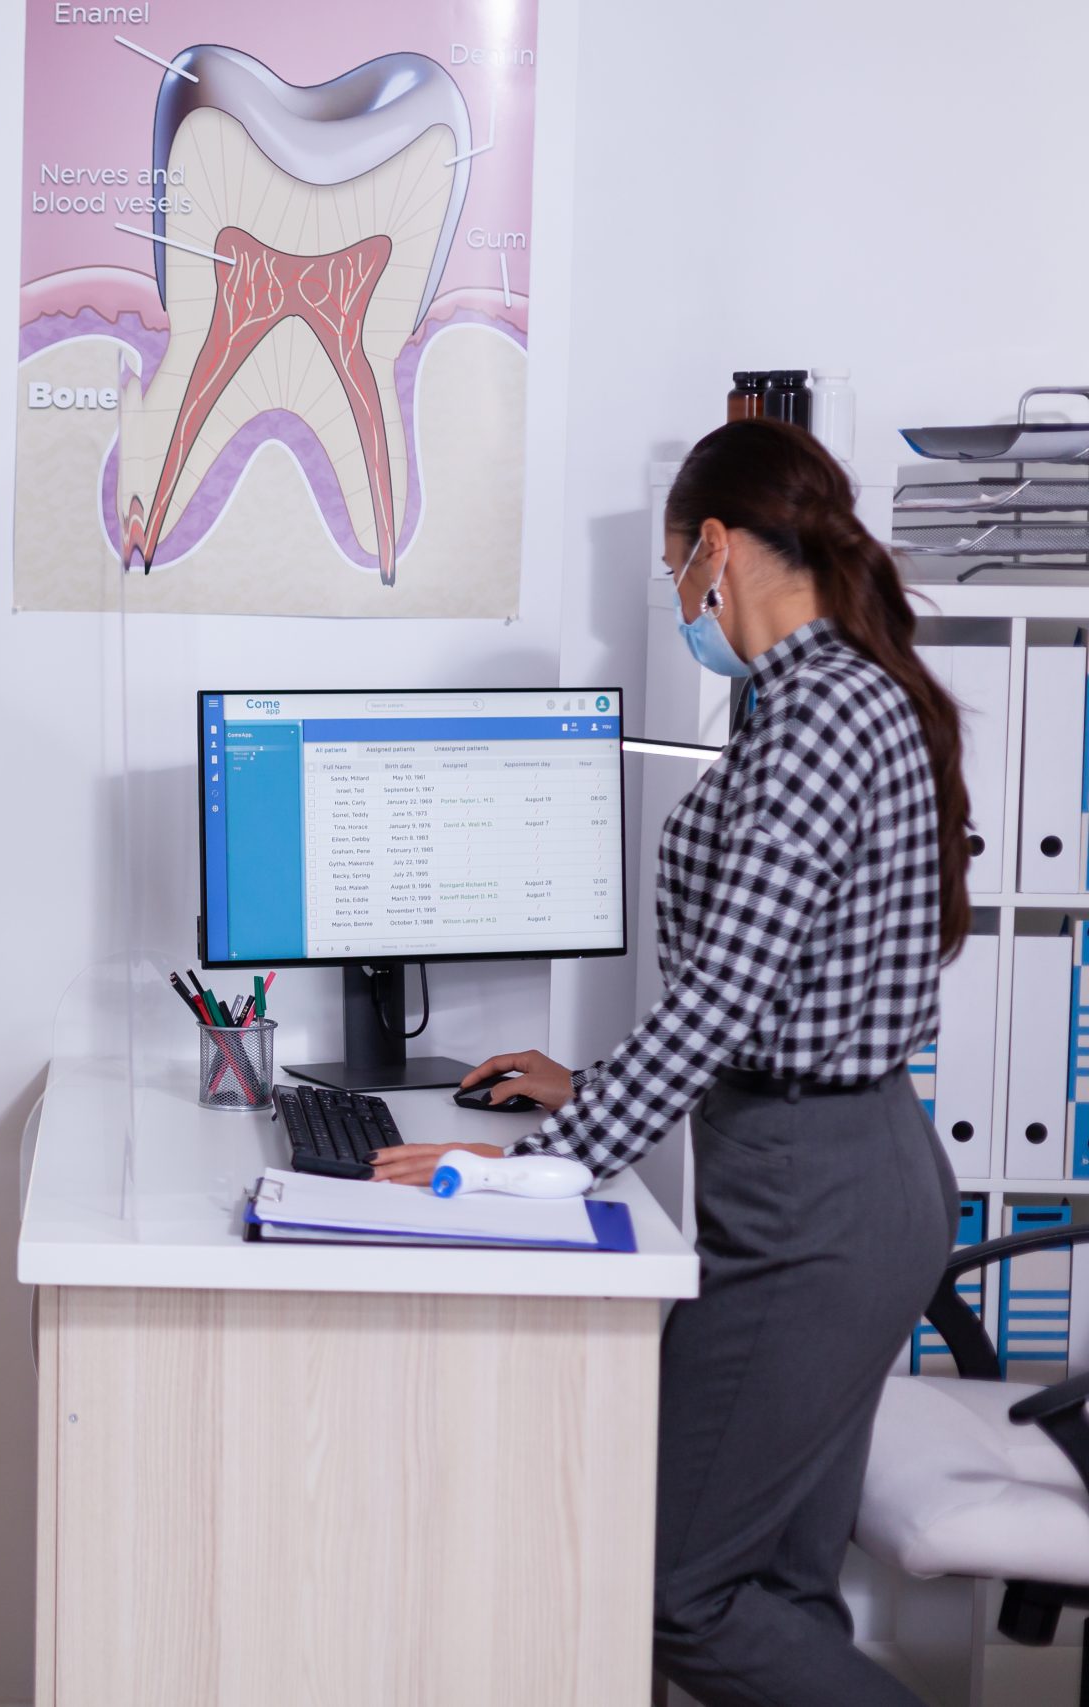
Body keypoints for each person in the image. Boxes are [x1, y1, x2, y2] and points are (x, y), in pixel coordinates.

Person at [372, 419, 967, 1707]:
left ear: (711, 548)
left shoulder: (818, 713)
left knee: (671, 1595)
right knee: (770, 1590)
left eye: (669, 569)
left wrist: (544, 1166)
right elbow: (782, 988)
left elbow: (729, 985)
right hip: (824, 1162)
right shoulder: (809, 702)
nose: (677, 602)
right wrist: (590, 1094)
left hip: (817, 1197)